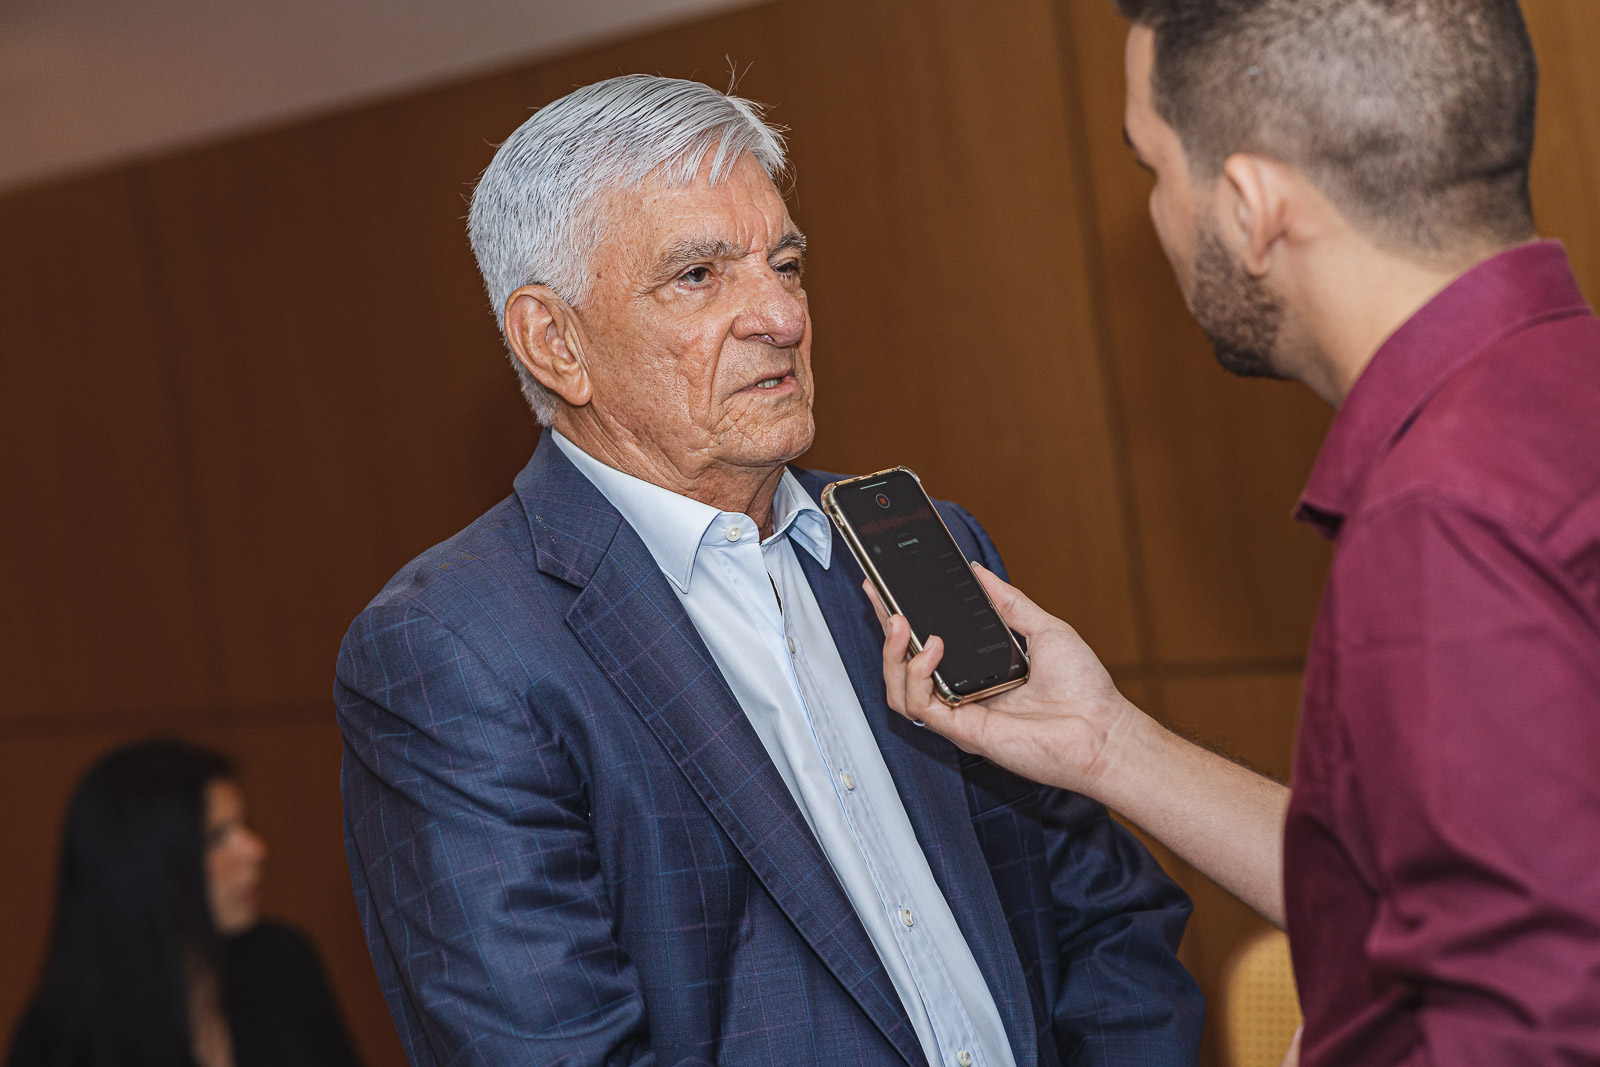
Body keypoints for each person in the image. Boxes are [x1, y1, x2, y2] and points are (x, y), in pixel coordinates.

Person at [334, 74, 1204, 1067]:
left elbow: (1109, 918)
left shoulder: (920, 546)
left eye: (785, 264)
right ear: (555, 342)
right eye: (699, 275)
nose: (781, 315)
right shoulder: (454, 653)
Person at [876, 1, 1600, 1065]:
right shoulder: (1557, 390)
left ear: (1254, 207)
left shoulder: (1442, 516)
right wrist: (1109, 743)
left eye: (1153, 169)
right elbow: (1429, 883)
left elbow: (1527, 1026)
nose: (1158, 214)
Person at [8, 738, 361, 1067]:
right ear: (144, 868)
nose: (255, 850)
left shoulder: (282, 963)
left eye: (243, 825)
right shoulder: (61, 1042)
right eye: (217, 837)